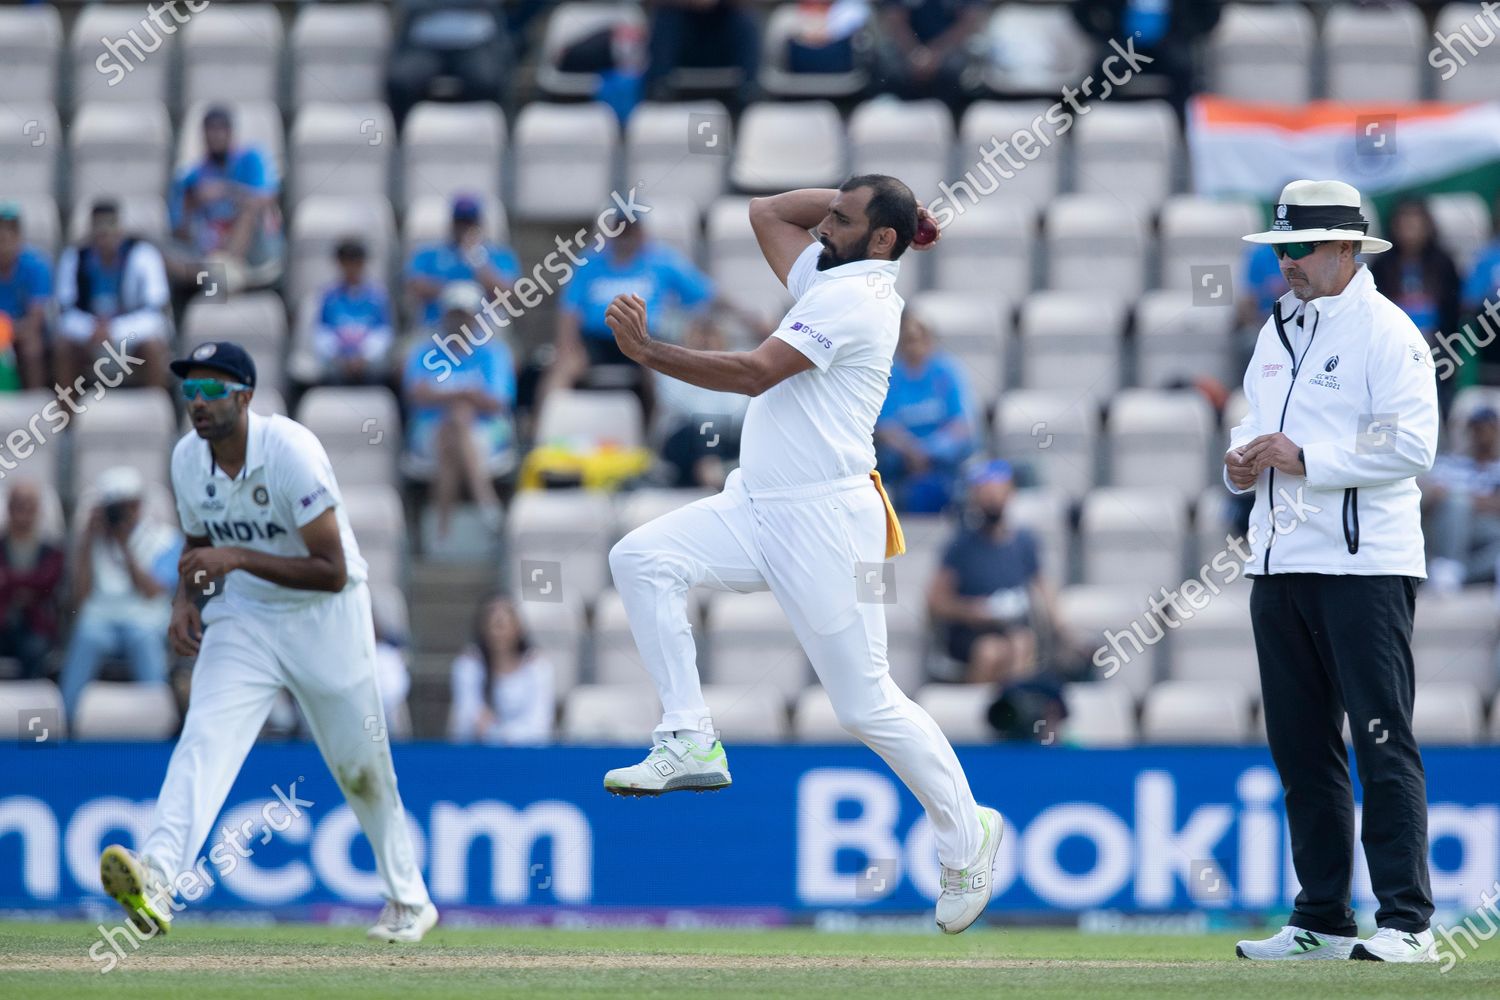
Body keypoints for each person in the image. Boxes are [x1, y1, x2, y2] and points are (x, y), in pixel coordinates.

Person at [602, 175, 1002, 935]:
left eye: (843, 217)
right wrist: (870, 202)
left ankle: (965, 832)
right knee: (640, 559)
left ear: (881, 242)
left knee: (866, 704)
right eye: (831, 211)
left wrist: (647, 351)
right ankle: (687, 736)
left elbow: (755, 374)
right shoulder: (831, 266)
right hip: (757, 504)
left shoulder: (862, 300)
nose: (823, 222)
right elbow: (763, 210)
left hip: (827, 521)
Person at [98, 341, 437, 943]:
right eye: (189, 392)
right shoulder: (185, 459)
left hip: (325, 614)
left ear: (245, 397)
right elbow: (198, 543)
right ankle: (157, 877)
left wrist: (236, 558)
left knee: (360, 767)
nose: (197, 404)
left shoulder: (291, 451)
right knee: (204, 736)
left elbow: (331, 569)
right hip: (245, 616)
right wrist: (184, 602)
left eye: (211, 391)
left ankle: (409, 900)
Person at [1225, 180, 1440, 962]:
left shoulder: (1389, 333)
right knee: (1301, 748)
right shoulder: (1279, 327)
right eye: (1280, 249)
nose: (1286, 263)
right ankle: (1320, 917)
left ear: (1347, 249)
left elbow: (1412, 448)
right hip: (1279, 564)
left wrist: (1306, 459)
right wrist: (1241, 462)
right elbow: (1256, 423)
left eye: (1300, 248)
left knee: (1383, 741)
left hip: (1366, 569)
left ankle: (1407, 924)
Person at [544, 217, 714, 411]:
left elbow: (705, 294)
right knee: (564, 366)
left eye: (631, 229)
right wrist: (567, 347)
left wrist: (747, 317)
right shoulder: (589, 262)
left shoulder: (662, 261)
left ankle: (657, 432)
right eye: (620, 229)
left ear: (641, 231)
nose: (625, 235)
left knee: (660, 369)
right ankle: (545, 430)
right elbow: (569, 310)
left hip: (643, 339)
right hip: (595, 342)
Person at [926, 461, 1066, 684]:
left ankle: (1017, 707)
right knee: (990, 652)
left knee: (1022, 643)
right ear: (974, 497)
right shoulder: (960, 546)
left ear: (1010, 493)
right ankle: (978, 709)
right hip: (970, 633)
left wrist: (1061, 628)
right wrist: (974, 611)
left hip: (1013, 628)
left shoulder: (1024, 542)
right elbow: (936, 601)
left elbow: (1042, 586)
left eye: (998, 491)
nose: (992, 499)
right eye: (985, 493)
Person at [58, 467, 179, 716]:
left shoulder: (166, 539)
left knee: (144, 639)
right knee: (87, 635)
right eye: (116, 507)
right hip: (100, 619)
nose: (124, 514)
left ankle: (159, 718)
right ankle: (66, 721)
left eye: (129, 506)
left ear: (139, 504)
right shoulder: (92, 540)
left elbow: (153, 592)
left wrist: (125, 547)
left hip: (145, 619)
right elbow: (80, 596)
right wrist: (88, 541)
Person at [401, 282, 515, 537]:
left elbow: (498, 401)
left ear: (476, 317)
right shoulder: (425, 352)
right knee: (457, 419)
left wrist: (447, 398)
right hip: (428, 433)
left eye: (464, 314)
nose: (459, 321)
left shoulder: (493, 353)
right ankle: (486, 502)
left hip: (486, 432)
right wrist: (465, 394)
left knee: (454, 428)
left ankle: (440, 532)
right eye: (454, 314)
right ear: (444, 315)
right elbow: (415, 393)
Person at [55, 199, 171, 389]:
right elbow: (66, 312)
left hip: (131, 337)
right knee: (64, 347)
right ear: (91, 230)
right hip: (89, 338)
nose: (105, 235)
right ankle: (67, 414)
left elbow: (155, 311)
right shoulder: (75, 257)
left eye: (110, 227)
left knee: (153, 345)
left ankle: (157, 407)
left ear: (120, 229)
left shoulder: (144, 255)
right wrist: (91, 329)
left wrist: (113, 330)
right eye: (99, 229)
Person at [166, 106, 283, 293]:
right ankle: (216, 274)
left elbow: (267, 199)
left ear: (231, 132)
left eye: (221, 130)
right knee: (156, 249)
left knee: (249, 210)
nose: (216, 136)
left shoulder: (251, 159)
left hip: (253, 249)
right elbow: (180, 231)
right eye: (210, 130)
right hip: (209, 249)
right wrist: (191, 204)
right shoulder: (193, 176)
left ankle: (225, 269)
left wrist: (225, 190)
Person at [874, 311, 975, 513]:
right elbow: (884, 426)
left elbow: (960, 424)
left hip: (942, 459)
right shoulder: (891, 376)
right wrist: (912, 451)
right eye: (908, 340)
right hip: (901, 460)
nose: (914, 346)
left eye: (919, 339)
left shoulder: (947, 373)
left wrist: (929, 451)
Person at [1371, 199, 1461, 413]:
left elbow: (1453, 313)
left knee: (1431, 409)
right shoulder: (1382, 265)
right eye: (1404, 223)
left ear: (1427, 226)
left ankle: (1439, 444)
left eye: (1415, 222)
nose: (1410, 229)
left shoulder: (1443, 263)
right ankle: (1377, 445)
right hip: (1391, 351)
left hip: (1437, 349)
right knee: (1384, 410)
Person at [653, 317, 748, 489]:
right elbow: (681, 407)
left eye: (711, 337)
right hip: (685, 440)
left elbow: (736, 411)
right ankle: (713, 479)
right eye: (698, 337)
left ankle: (710, 474)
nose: (704, 342)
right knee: (699, 430)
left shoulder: (739, 370)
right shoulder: (671, 368)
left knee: (717, 431)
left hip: (724, 438)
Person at [447, 593, 555, 744]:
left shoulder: (537, 666)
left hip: (526, 756)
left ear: (518, 627)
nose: (498, 634)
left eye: (502, 626)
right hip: (477, 754)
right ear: (483, 627)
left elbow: (539, 725)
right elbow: (469, 718)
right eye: (493, 625)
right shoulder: (469, 664)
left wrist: (499, 733)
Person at [405, 195, 519, 329]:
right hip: (435, 329)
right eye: (460, 222)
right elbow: (413, 287)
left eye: (470, 223)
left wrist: (477, 258)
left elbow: (506, 296)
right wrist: (454, 294)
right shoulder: (429, 253)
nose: (464, 228)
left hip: (484, 333)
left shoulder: (499, 254)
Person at [1421, 406, 1500, 593]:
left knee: (1459, 501)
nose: (1483, 434)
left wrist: (1463, 498)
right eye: (1478, 428)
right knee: (1456, 504)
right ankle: (1448, 568)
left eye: (1489, 428)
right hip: (1445, 528)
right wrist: (1477, 501)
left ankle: (1452, 576)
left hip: (1483, 529)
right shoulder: (1449, 462)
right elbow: (1434, 495)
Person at [0, 481, 66, 679]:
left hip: (35, 623)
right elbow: (39, 580)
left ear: (38, 509)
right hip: (3, 620)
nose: (24, 510)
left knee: (34, 649)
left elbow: (47, 582)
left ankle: (26, 707)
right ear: (9, 507)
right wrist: (29, 584)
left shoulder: (51, 547)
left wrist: (8, 580)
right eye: (19, 504)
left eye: (30, 504)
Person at [645, 0, 761, 107]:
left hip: (729, 109)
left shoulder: (741, 20)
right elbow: (658, 81)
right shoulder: (667, 20)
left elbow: (748, 83)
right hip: (677, 109)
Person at [876, 0, 986, 111]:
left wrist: (936, 54)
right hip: (906, 52)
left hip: (950, 52)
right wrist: (914, 54)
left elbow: (969, 22)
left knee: (959, 74)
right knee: (886, 70)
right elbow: (894, 20)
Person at [313, 238, 394, 385]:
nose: (351, 268)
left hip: (368, 364)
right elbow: (322, 333)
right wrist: (340, 358)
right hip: (337, 363)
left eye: (355, 263)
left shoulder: (377, 296)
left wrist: (364, 358)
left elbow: (383, 333)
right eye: (346, 263)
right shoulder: (329, 296)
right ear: (339, 264)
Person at [0, 201, 52, 389]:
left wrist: (7, 333)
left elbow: (35, 319)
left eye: (9, 234)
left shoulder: (37, 265)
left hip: (22, 330)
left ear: (18, 237)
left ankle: (35, 400)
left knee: (32, 344)